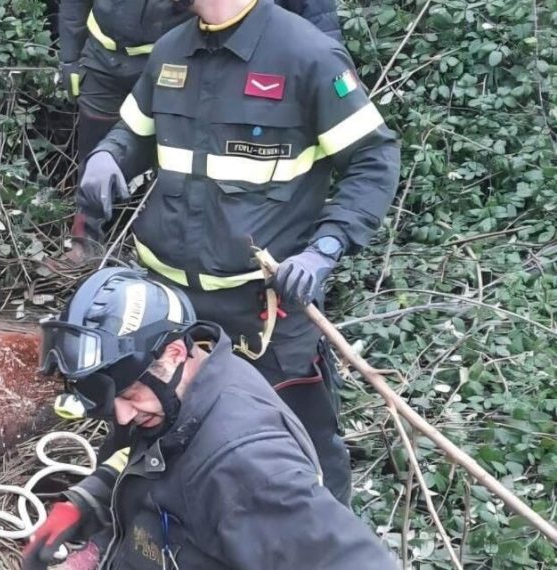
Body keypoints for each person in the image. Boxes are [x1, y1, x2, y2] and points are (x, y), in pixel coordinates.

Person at [75, 0, 402, 506]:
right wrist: (108, 155)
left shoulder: (306, 55)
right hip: (169, 308)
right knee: (142, 434)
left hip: (262, 314)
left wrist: (326, 248)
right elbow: (133, 132)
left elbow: (374, 159)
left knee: (298, 447)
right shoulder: (170, 51)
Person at [26, 267, 398, 570]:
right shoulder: (178, 394)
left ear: (173, 353)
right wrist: (87, 506)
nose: (122, 415)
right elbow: (144, 465)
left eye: (127, 397)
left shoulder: (246, 464)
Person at [53, 0, 342, 266]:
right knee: (102, 154)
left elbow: (315, 15)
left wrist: (325, 75)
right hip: (106, 57)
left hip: (187, 59)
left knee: (189, 163)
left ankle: (166, 249)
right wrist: (69, 55)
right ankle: (85, 245)